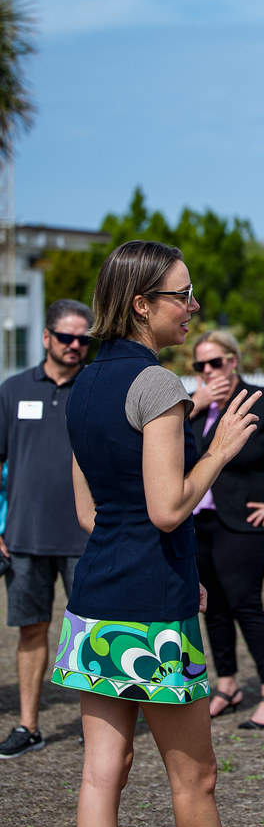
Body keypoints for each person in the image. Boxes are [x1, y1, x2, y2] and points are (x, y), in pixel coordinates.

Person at [49, 241, 261, 827]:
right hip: (153, 612)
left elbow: (89, 511)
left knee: (101, 774)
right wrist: (218, 451)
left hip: (94, 601)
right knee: (195, 781)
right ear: (143, 305)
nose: (193, 305)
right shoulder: (158, 386)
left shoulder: (84, 384)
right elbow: (168, 509)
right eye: (183, 293)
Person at [190, 330, 264, 728]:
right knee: (212, 606)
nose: (208, 371)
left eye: (215, 362)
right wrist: (195, 405)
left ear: (233, 361)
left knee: (245, 603)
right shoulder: (193, 407)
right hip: (198, 521)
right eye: (200, 365)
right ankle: (227, 685)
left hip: (245, 520)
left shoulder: (260, 400)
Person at [0, 298, 93, 759]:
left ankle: (95, 727)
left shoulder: (95, 389)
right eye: (66, 337)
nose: (75, 345)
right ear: (46, 337)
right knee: (31, 631)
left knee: (89, 633)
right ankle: (28, 725)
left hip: (87, 536)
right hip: (25, 537)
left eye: (83, 339)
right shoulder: (13, 390)